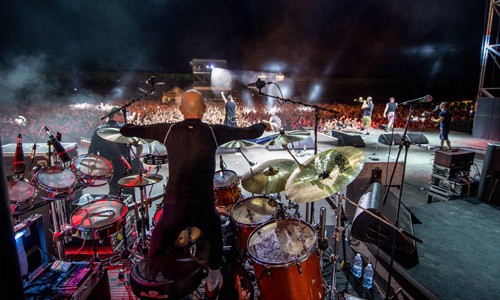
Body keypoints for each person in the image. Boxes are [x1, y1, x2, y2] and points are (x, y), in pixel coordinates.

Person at [120, 89, 272, 298]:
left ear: (181, 110)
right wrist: (262, 125)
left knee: (159, 235)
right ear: (205, 110)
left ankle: (153, 279)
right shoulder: (213, 132)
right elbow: (250, 133)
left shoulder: (168, 130)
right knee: (216, 230)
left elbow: (134, 130)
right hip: (203, 206)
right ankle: (213, 276)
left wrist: (124, 127)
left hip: (175, 207)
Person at [88, 106, 142, 196]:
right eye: (121, 115)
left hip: (108, 167)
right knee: (128, 192)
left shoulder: (98, 130)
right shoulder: (124, 129)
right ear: (116, 116)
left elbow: (92, 151)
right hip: (125, 165)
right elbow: (139, 145)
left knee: (114, 192)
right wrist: (137, 158)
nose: (124, 117)